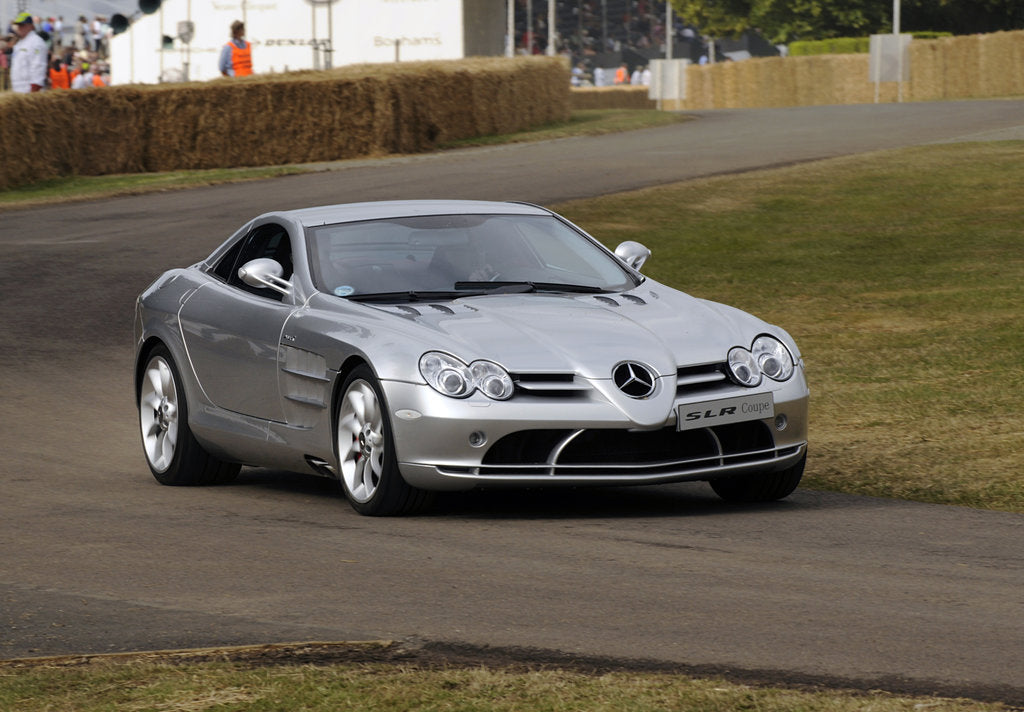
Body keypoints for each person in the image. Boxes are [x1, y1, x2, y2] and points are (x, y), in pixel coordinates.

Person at [10, 12, 48, 93]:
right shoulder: (19, 44)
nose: (19, 27)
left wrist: (34, 88)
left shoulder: (36, 42)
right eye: (18, 25)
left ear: (30, 26)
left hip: (29, 90)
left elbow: (38, 66)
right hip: (17, 90)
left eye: (22, 25)